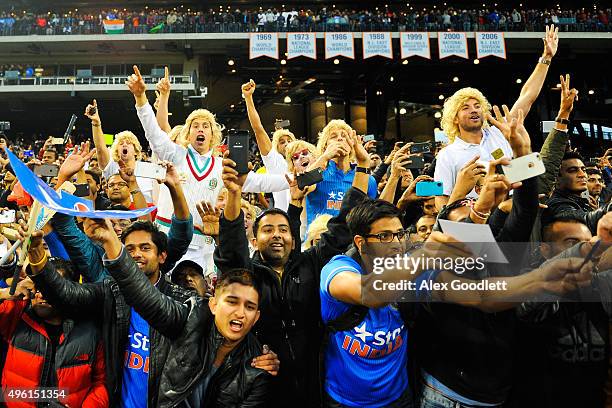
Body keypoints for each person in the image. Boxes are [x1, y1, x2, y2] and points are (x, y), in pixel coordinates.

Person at [214, 132, 373, 407]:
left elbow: (344, 223)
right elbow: (230, 250)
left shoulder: (311, 262)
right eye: (267, 230)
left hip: (318, 379)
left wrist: (362, 168)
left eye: (283, 229)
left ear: (292, 237)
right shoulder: (247, 275)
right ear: (254, 240)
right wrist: (233, 194)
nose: (277, 235)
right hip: (266, 383)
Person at [87, 214, 275, 407]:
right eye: (232, 301)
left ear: (256, 317)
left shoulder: (259, 368)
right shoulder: (190, 319)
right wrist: (111, 243)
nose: (240, 312)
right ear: (213, 304)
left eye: (249, 306)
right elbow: (146, 297)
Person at [434, 24, 559, 210]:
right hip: (475, 226)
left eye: (477, 106)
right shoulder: (447, 155)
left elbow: (527, 97)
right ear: (455, 118)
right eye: (466, 108)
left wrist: (546, 59)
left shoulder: (500, 133)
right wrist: (462, 191)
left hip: (512, 219)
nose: (474, 110)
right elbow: (440, 206)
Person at [1, 255, 109, 407]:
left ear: (69, 291)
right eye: (37, 287)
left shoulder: (90, 328)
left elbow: (101, 382)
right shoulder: (17, 314)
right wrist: (4, 293)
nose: (40, 294)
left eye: (50, 289)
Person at [86, 99, 155, 203]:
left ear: (136, 151)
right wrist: (96, 122)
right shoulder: (112, 166)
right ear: (116, 150)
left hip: (145, 215)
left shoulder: (148, 169)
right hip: (118, 214)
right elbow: (100, 148)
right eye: (121, 143)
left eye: (128, 142)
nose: (125, 144)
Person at [242, 79, 296, 211]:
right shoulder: (275, 161)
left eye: (289, 141)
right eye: (282, 142)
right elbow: (258, 129)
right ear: (275, 148)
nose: (287, 144)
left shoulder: (306, 164)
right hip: (284, 220)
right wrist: (248, 98)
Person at [543, 151, 612, 234]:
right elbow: (584, 223)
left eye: (583, 170)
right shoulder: (556, 205)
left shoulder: (584, 202)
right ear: (557, 179)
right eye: (573, 170)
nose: (582, 174)